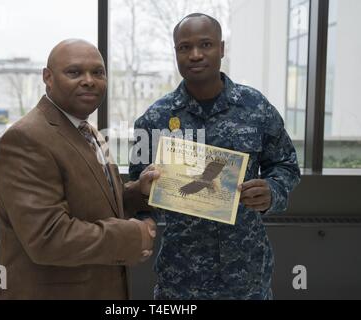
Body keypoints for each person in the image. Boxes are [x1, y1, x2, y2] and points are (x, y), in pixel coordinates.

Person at [129, 13, 301, 300]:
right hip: (181, 279)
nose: (195, 55)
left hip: (246, 275)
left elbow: (285, 165)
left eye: (205, 44)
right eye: (185, 48)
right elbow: (136, 189)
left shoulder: (256, 108)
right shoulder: (154, 119)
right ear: (176, 54)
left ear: (221, 49)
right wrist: (144, 218)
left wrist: (272, 191)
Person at [0, 39, 159, 300]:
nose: (89, 80)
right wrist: (130, 236)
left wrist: (139, 192)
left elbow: (97, 203)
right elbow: (48, 237)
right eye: (74, 72)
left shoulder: (90, 132)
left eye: (98, 72)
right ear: (47, 77)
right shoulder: (26, 138)